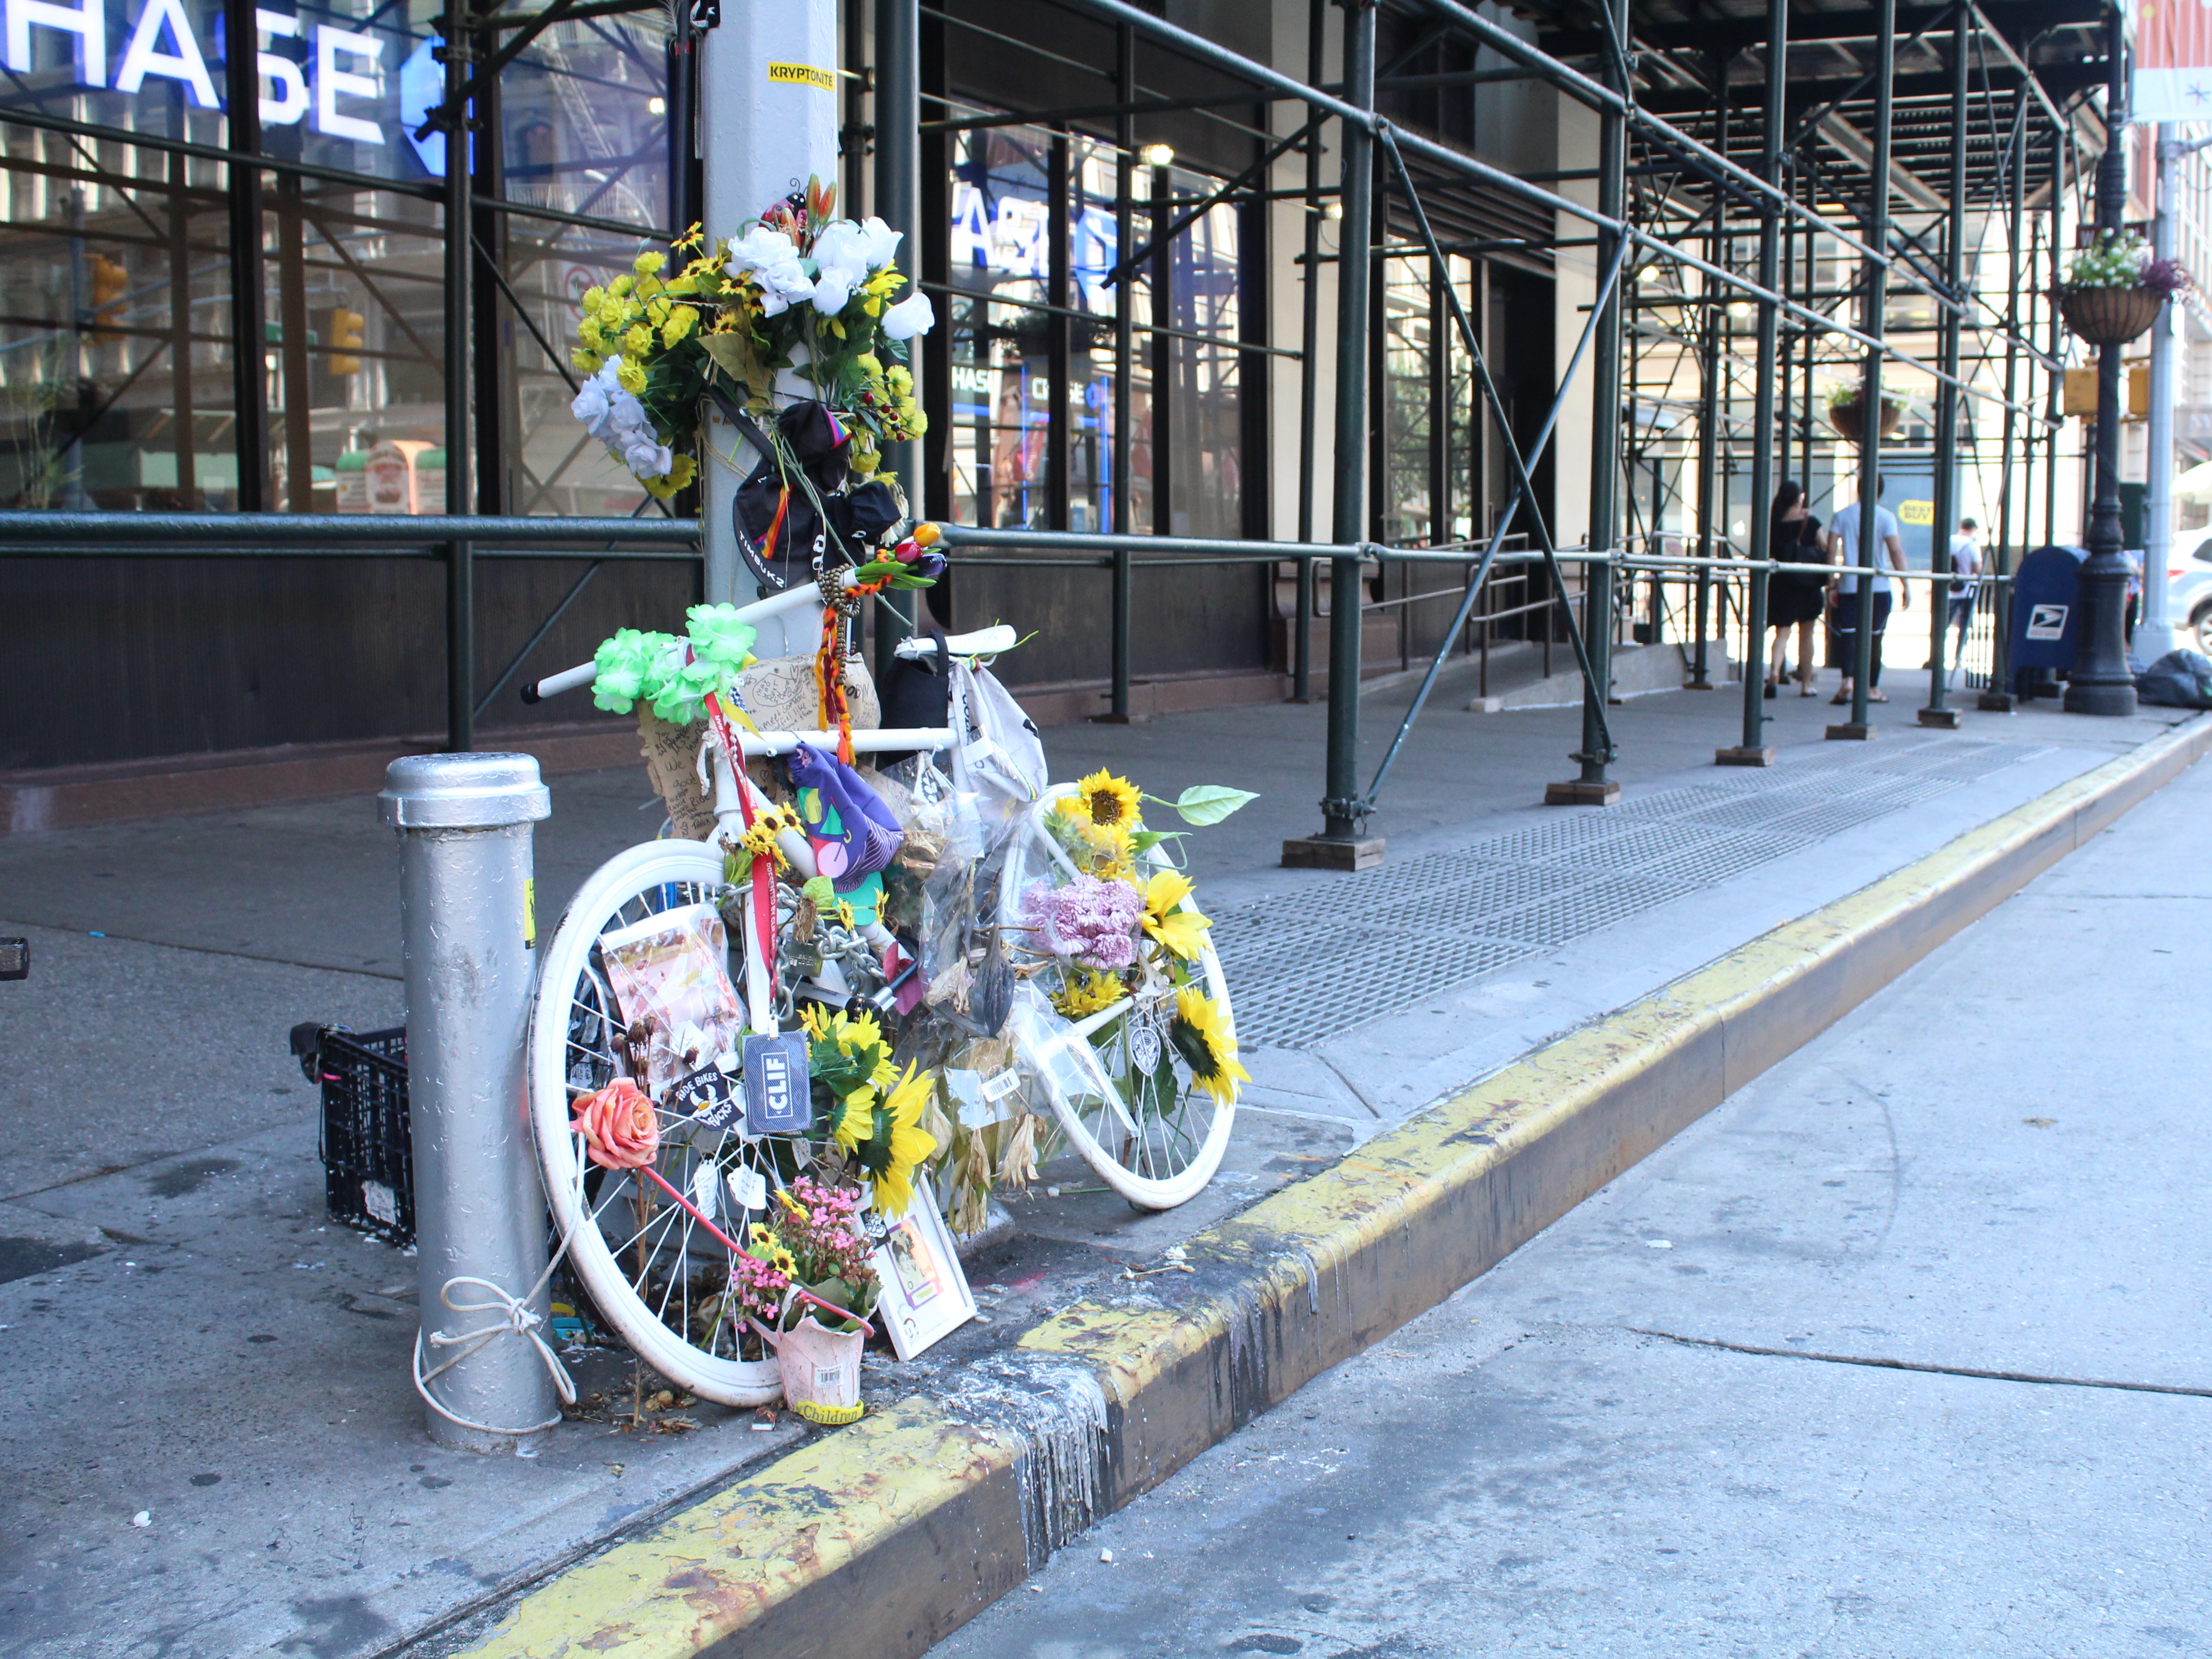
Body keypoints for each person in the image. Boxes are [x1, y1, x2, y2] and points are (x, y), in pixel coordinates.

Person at [1824, 472, 1910, 704]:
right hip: (1879, 586)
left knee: (1849, 636)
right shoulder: (1887, 518)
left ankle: (1847, 681)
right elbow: (1895, 550)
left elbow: (1831, 550)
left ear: (1859, 489)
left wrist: (1831, 583)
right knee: (1875, 638)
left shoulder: (1842, 515)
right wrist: (1906, 583)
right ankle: (1872, 688)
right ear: (1881, 492)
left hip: (1849, 585)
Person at [1765, 481, 1830, 697]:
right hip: (1807, 583)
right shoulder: (1810, 521)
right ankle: (1806, 684)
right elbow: (1824, 545)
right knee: (1807, 635)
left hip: (1782, 583)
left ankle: (1774, 671)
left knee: (1782, 633)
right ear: (1799, 498)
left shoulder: (1773, 523)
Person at [1936, 517, 1982, 675]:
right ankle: (1958, 658)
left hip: (1949, 589)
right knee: (1964, 624)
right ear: (1973, 529)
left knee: (1943, 624)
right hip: (1967, 589)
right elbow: (1977, 568)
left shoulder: (1949, 541)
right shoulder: (1973, 545)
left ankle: (1937, 656)